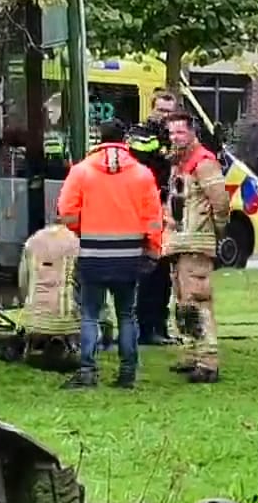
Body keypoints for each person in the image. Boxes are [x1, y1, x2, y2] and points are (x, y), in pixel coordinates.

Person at [56, 119, 165, 389]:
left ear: (99, 139)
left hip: (93, 252)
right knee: (127, 313)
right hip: (129, 255)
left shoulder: (81, 172)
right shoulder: (142, 174)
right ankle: (128, 372)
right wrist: (152, 247)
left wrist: (82, 229)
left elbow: (66, 211)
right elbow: (153, 218)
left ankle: (87, 371)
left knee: (90, 313)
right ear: (124, 139)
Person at [162, 111, 230, 382]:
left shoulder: (204, 162)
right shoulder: (179, 163)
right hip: (179, 243)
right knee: (182, 302)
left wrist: (217, 229)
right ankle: (190, 354)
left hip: (196, 243)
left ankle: (208, 362)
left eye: (179, 132)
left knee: (198, 301)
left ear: (192, 133)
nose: (174, 138)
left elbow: (221, 202)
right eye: (171, 133)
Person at [129, 92, 179, 346]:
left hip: (165, 211)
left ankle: (160, 325)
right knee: (150, 270)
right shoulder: (141, 135)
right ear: (151, 109)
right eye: (161, 110)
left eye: (170, 112)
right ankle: (147, 328)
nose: (165, 117)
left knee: (163, 273)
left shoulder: (173, 137)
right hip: (145, 211)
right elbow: (145, 161)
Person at [0, 221, 83, 371]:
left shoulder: (32, 242)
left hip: (35, 318)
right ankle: (64, 342)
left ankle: (39, 344)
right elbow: (82, 282)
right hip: (67, 319)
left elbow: (23, 281)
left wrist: (28, 303)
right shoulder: (76, 243)